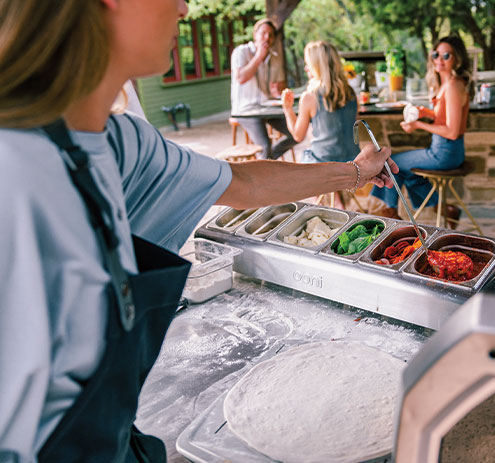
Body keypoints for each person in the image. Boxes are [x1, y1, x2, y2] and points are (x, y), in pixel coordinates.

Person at [0, 1, 396, 461]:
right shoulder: (15, 171)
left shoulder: (124, 143)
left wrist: (354, 172)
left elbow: (243, 182)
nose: (185, 7)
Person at [370, 35, 472, 221]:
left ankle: (390, 214)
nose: (439, 60)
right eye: (436, 55)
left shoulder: (452, 86)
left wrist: (418, 124)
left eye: (446, 56)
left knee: (391, 163)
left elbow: (452, 131)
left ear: (457, 58)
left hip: (446, 153)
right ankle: (445, 210)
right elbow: (445, 116)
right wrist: (427, 113)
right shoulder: (447, 84)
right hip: (443, 150)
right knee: (405, 170)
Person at [280, 41, 360, 164]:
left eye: (308, 64)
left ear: (317, 66)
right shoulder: (350, 93)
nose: (306, 68)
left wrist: (287, 108)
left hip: (322, 163)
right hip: (352, 163)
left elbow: (298, 136)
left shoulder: (309, 97)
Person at [230, 18, 297, 160]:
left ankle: (268, 160)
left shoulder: (274, 57)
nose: (267, 37)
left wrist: (278, 92)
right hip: (246, 109)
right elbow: (240, 78)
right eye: (263, 33)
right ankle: (266, 162)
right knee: (264, 146)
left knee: (296, 133)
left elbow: (279, 85)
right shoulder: (241, 52)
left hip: (267, 106)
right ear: (255, 35)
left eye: (271, 35)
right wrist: (259, 56)